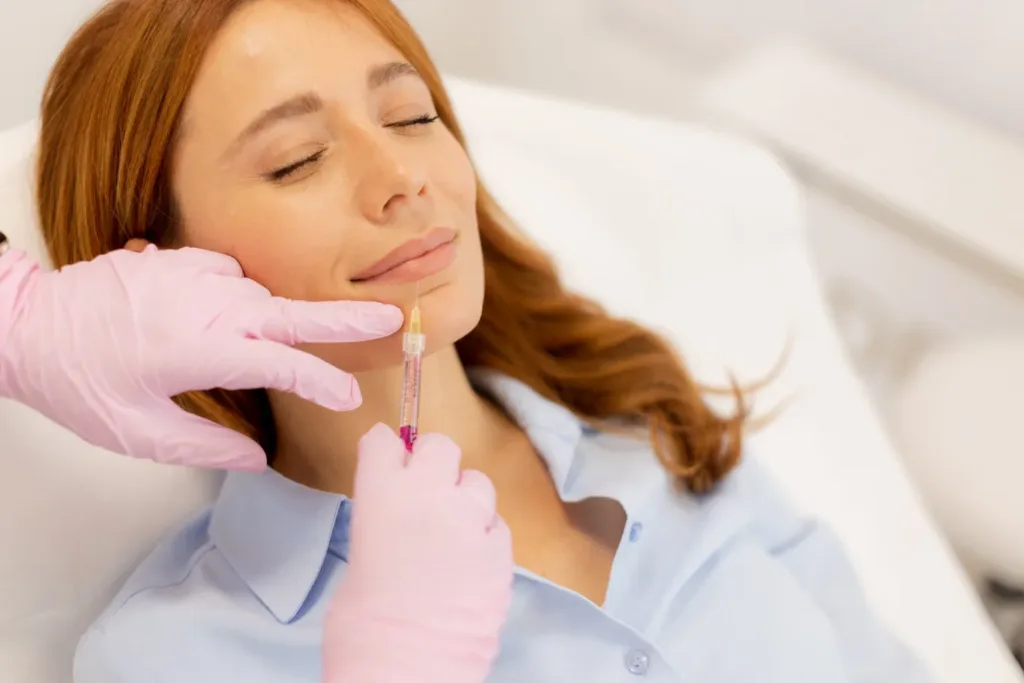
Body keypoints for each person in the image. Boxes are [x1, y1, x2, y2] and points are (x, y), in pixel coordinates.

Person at [35, 0, 936, 681]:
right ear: (154, 268)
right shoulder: (170, 652)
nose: (400, 178)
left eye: (411, 116)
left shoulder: (654, 428)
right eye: (298, 158)